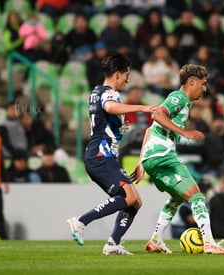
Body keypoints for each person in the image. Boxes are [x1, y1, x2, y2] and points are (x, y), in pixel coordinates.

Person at [131, 64, 224, 254]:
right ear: (192, 82)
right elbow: (157, 114)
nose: (204, 88)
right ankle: (209, 243)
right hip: (163, 156)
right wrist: (184, 132)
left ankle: (155, 240)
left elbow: (149, 129)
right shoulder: (178, 97)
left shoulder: (185, 103)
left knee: (177, 198)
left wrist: (141, 161)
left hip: (153, 157)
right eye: (202, 84)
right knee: (197, 197)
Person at [66, 53, 156, 255]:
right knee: (129, 197)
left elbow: (107, 123)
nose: (128, 79)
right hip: (101, 155)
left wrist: (125, 129)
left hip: (103, 155)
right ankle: (80, 221)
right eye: (126, 75)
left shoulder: (96, 92)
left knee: (135, 201)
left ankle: (113, 244)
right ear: (117, 74)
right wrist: (143, 107)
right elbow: (109, 107)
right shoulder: (110, 93)